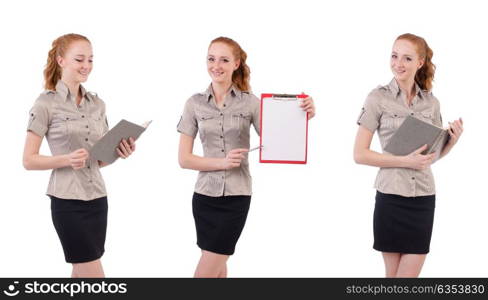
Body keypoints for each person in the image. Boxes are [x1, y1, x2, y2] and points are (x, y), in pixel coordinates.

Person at [177, 36, 316, 277]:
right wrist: (222, 162)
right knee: (217, 267)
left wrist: (304, 114)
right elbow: (184, 159)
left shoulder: (251, 103)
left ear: (236, 63)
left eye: (224, 60)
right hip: (204, 197)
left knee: (207, 270)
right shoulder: (194, 103)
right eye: (211, 59)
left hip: (236, 196)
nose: (216, 66)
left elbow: (279, 139)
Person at [23, 33, 136, 277]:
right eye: (80, 59)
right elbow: (29, 160)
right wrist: (66, 159)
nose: (86, 66)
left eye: (91, 60)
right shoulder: (46, 104)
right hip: (67, 201)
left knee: (81, 275)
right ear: (61, 60)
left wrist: (119, 151)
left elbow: (98, 159)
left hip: (97, 198)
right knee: (95, 276)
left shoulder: (98, 104)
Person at [354, 33, 463, 277]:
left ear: (420, 63)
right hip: (391, 196)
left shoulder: (431, 103)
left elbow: (430, 157)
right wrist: (404, 161)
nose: (398, 64)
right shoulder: (377, 98)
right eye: (394, 56)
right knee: (392, 279)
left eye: (406, 58)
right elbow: (359, 154)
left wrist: (451, 142)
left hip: (423, 197)